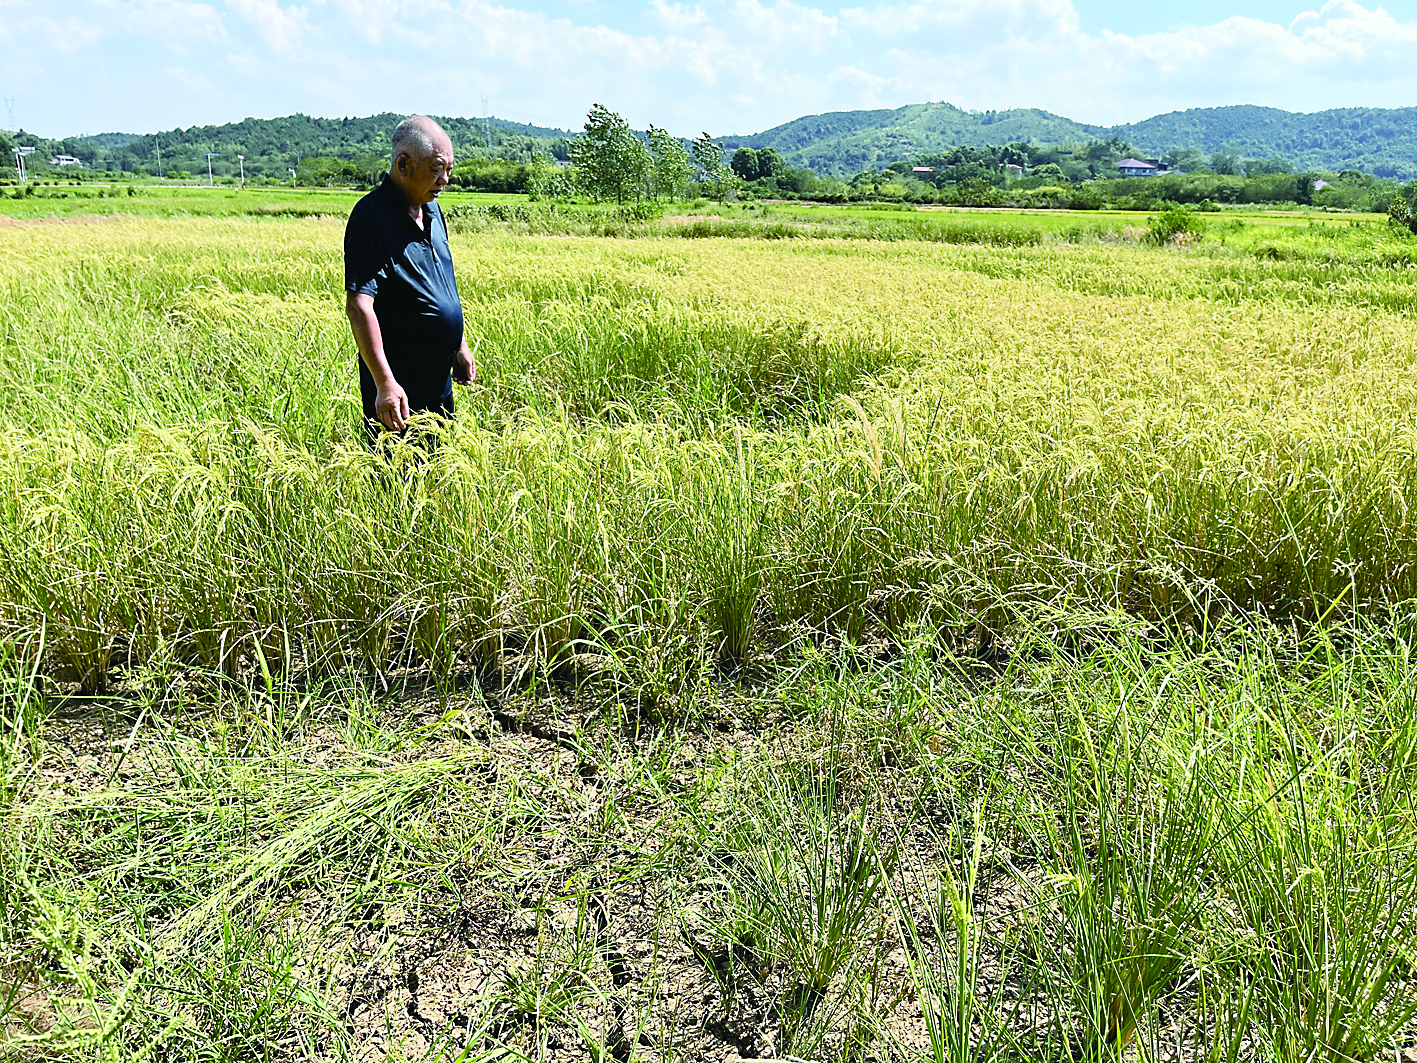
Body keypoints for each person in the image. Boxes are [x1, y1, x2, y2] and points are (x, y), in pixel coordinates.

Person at [344, 115, 476, 437]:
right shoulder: (371, 218)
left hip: (439, 382)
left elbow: (440, 280)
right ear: (403, 165)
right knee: (399, 466)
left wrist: (458, 344)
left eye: (449, 169)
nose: (445, 180)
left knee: (440, 463)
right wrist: (384, 383)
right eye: (436, 169)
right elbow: (359, 305)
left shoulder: (431, 209)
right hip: (401, 392)